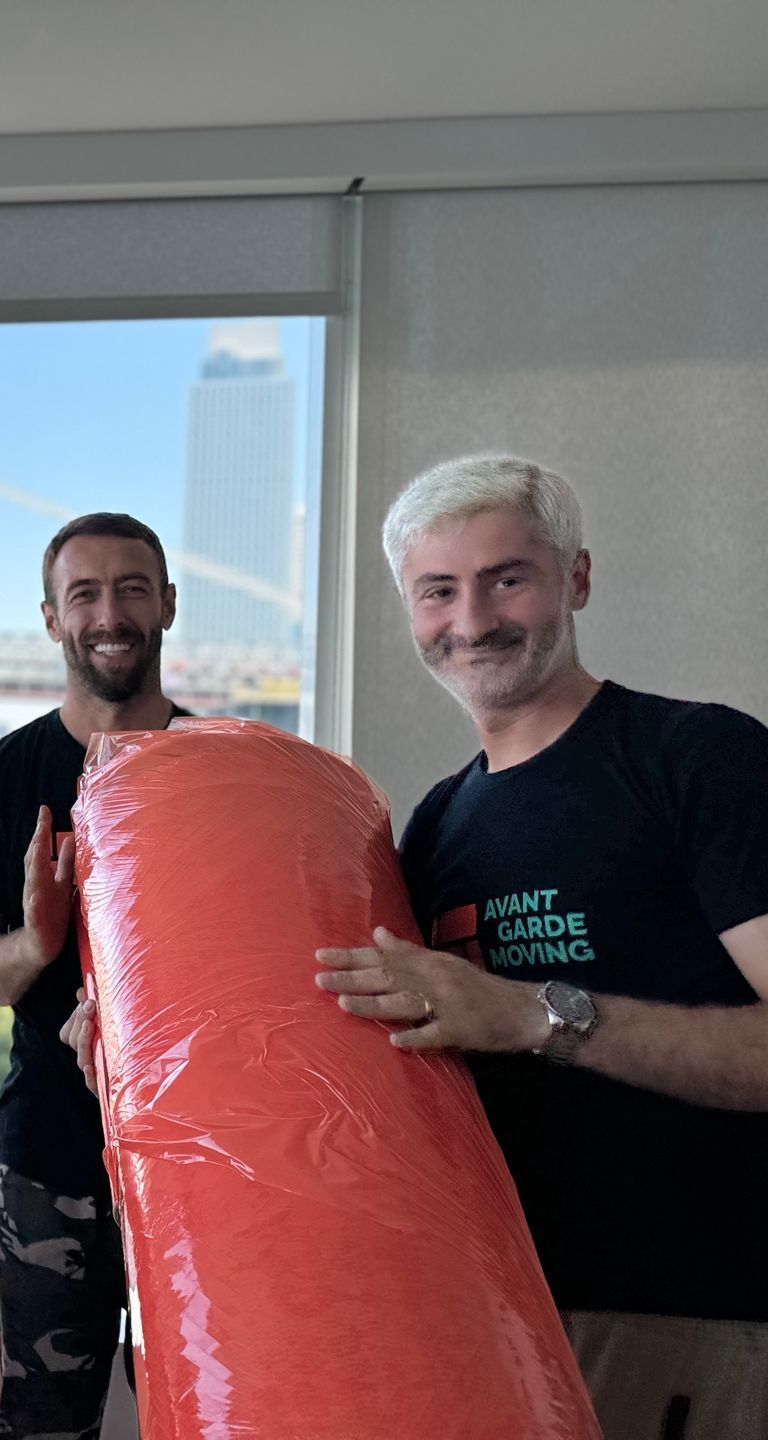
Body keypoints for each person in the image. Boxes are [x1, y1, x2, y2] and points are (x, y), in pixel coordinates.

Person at [313, 456, 768, 1438]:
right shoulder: (435, 825)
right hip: (495, 1313)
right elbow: (361, 1031)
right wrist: (147, 1037)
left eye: (506, 577)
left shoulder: (700, 760)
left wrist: (533, 1015)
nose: (472, 619)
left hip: (695, 1314)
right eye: (439, 590)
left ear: (579, 579)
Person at [0, 511, 187, 1440]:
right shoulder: (0, 779)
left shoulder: (220, 772)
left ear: (167, 604)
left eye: (131, 587)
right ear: (51, 617)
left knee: (210, 1413)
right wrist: (37, 944)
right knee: (45, 1424)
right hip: (50, 1157)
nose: (109, 611)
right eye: (83, 592)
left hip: (191, 1160)